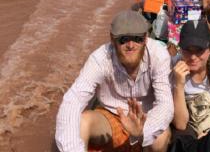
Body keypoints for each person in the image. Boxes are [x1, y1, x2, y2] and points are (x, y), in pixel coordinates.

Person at [55, 10, 173, 152]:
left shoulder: (158, 56)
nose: (131, 45)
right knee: (82, 122)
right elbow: (73, 100)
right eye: (123, 39)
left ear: (146, 38)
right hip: (112, 116)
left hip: (146, 118)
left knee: (159, 139)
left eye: (137, 38)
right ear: (112, 39)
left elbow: (165, 104)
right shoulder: (99, 59)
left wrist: (142, 131)